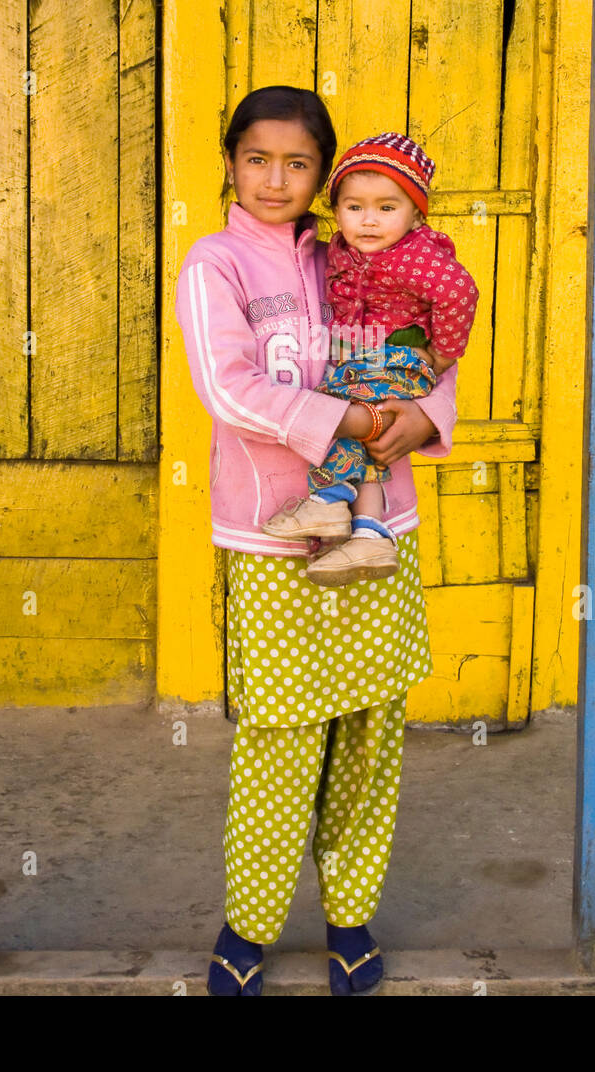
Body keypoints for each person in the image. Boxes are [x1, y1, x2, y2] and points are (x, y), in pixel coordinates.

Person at [173, 86, 459, 996]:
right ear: (229, 162)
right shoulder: (213, 264)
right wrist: (344, 414)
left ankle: (348, 916)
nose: (276, 178)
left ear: (324, 177)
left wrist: (422, 417)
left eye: (299, 164)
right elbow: (227, 388)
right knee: (280, 737)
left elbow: (430, 349)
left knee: (371, 734)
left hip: (384, 525)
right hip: (271, 537)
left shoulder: (364, 245)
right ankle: (250, 927)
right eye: (257, 158)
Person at [261, 132, 479, 586]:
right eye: (354, 207)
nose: (369, 221)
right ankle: (369, 530)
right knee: (360, 436)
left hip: (397, 354)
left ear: (416, 213)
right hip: (357, 356)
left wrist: (441, 353)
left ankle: (327, 502)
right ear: (336, 210)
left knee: (335, 411)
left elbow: (460, 293)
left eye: (387, 207)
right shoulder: (341, 248)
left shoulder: (416, 256)